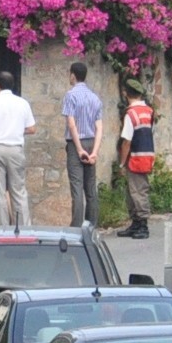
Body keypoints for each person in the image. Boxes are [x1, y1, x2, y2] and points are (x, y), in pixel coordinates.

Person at [0, 71, 37, 226]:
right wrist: (15, 130)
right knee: (19, 191)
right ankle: (23, 227)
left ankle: (3, 228)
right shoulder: (22, 103)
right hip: (16, 148)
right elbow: (31, 128)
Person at [62, 62, 103, 227]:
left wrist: (79, 149)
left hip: (75, 143)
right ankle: (92, 225)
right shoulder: (95, 98)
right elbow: (99, 127)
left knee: (77, 186)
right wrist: (94, 152)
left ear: (72, 75)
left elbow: (71, 124)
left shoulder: (70, 95)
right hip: (91, 141)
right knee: (90, 187)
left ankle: (77, 226)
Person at [116, 79, 155, 239]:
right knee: (134, 190)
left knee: (138, 191)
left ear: (126, 94)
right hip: (147, 154)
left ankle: (142, 225)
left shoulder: (131, 114)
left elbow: (126, 141)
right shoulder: (149, 111)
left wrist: (122, 163)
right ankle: (135, 224)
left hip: (135, 156)